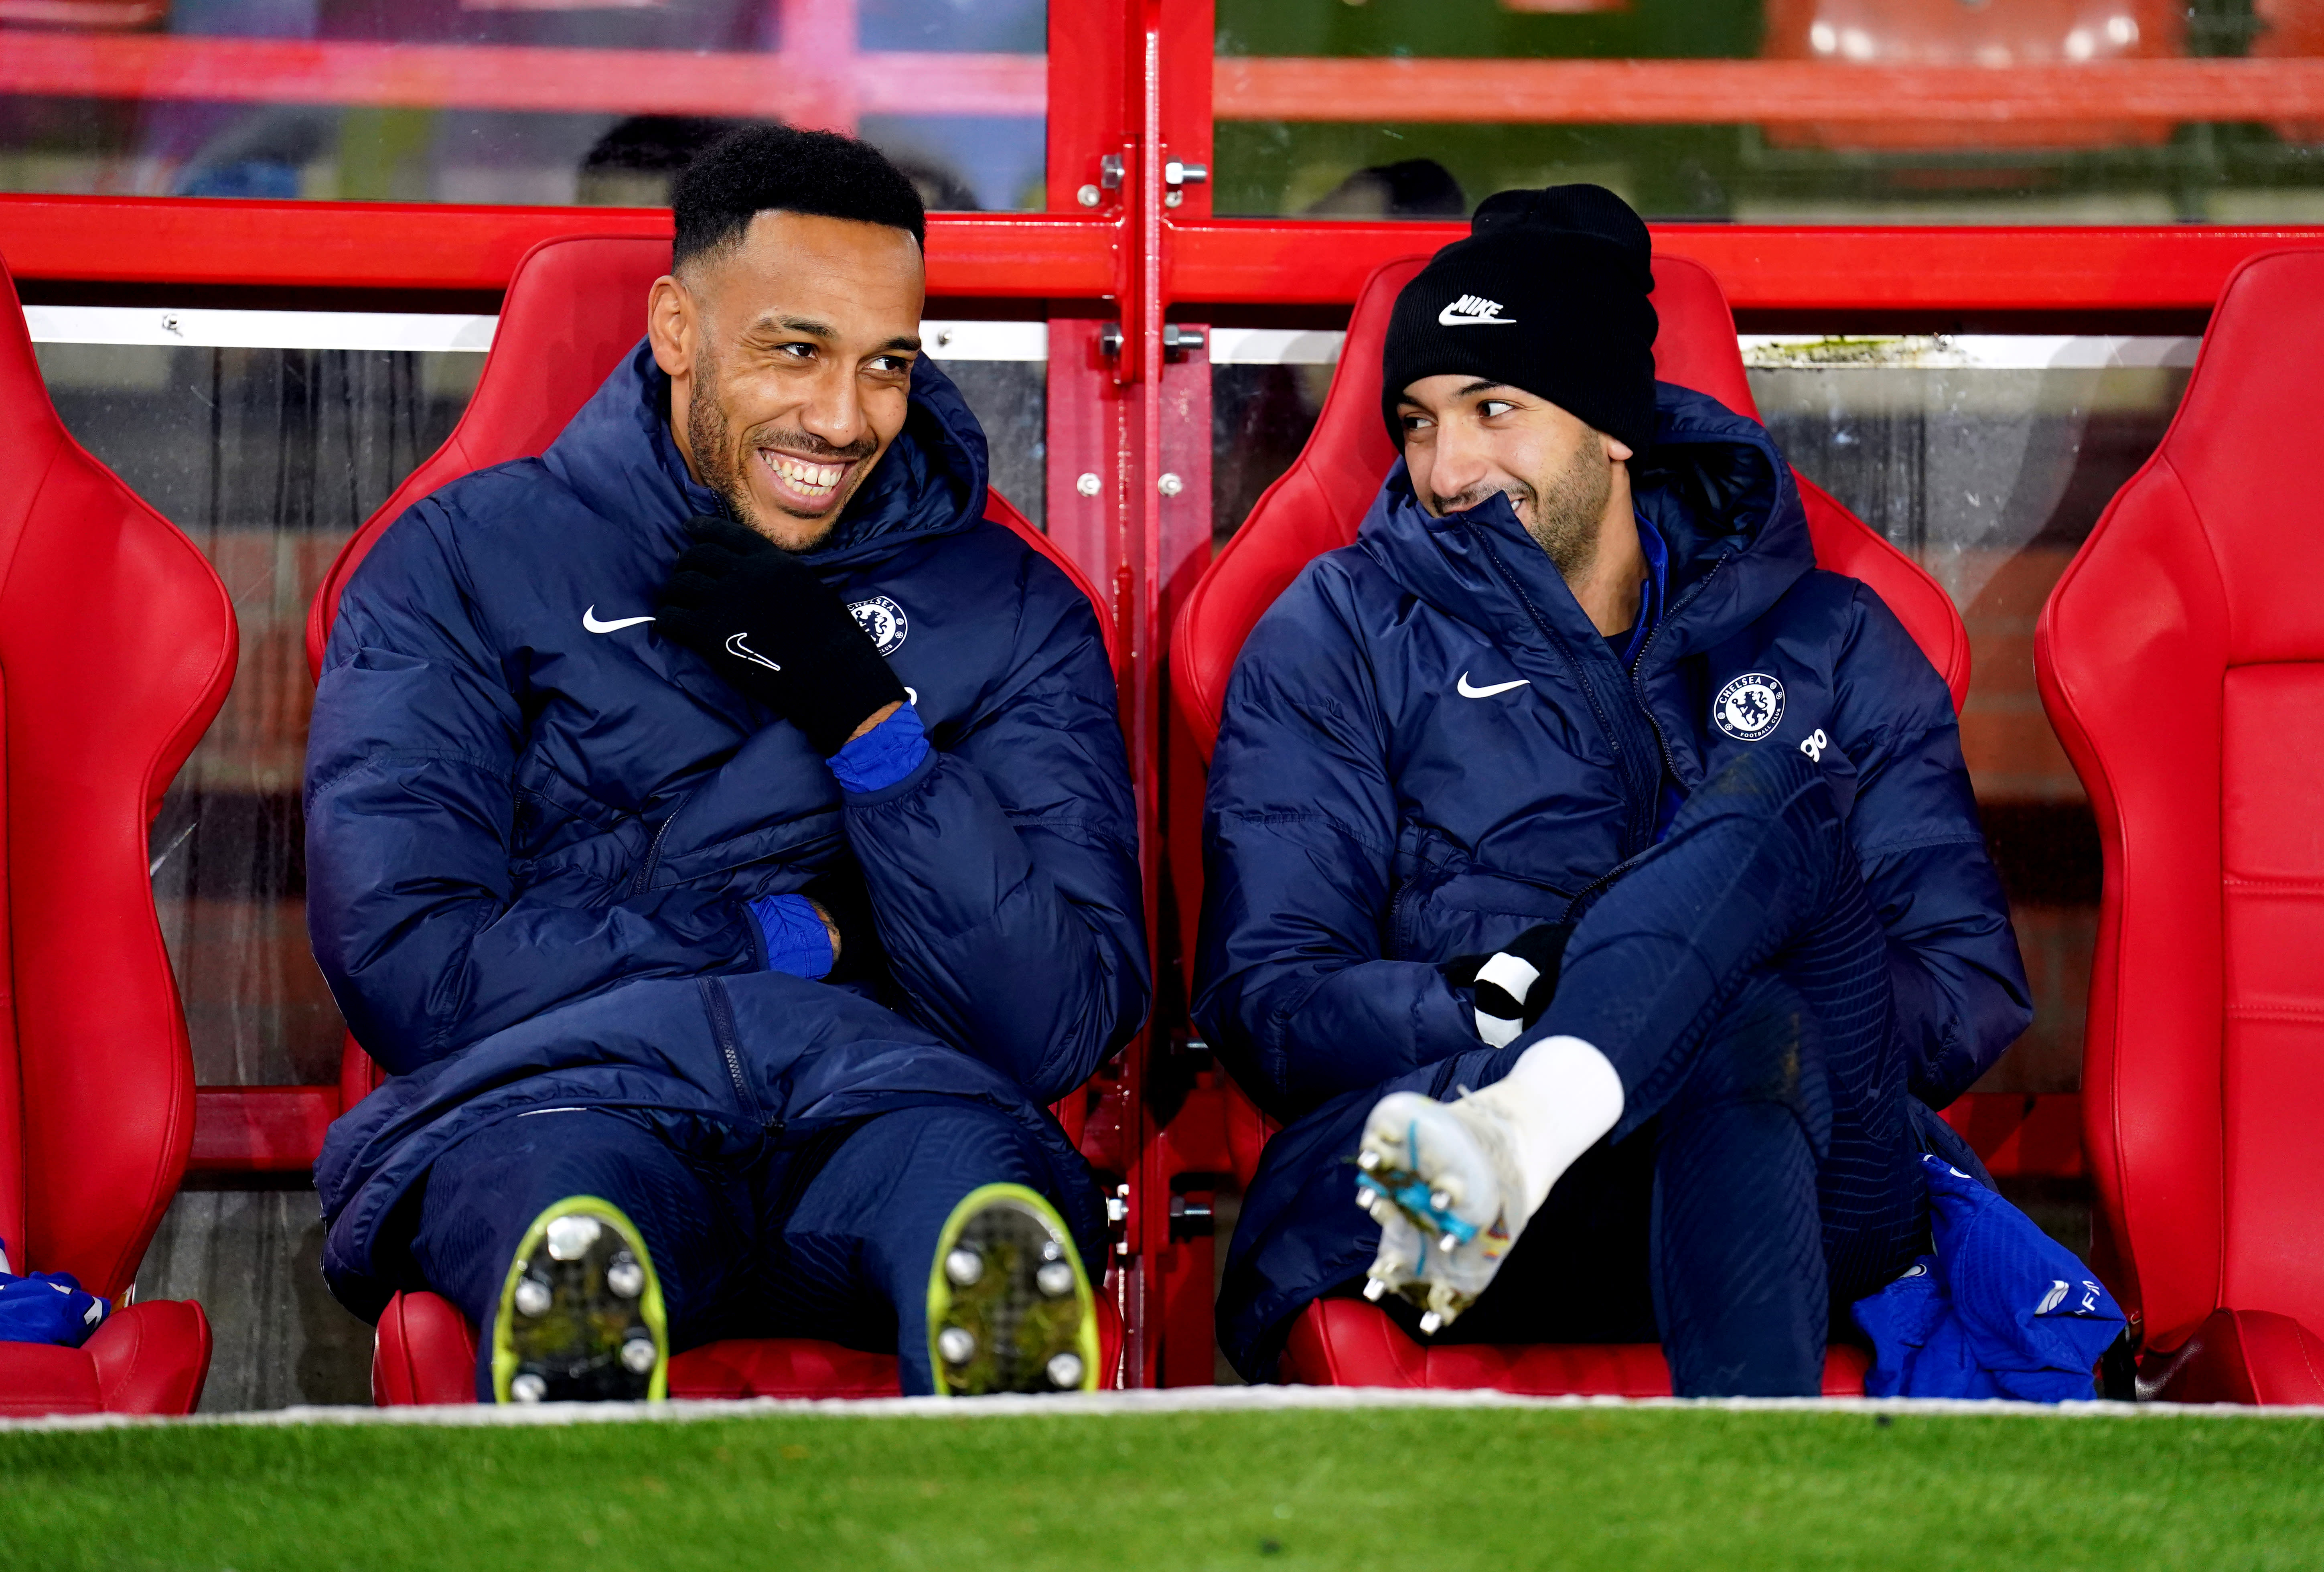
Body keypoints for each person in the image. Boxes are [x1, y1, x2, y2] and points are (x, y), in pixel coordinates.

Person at [309, 126, 1147, 1402]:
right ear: (676, 330)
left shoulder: (1014, 606)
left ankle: (998, 1404)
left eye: (887, 365)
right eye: (794, 351)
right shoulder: (460, 561)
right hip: (559, 1097)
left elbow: (1056, 1024)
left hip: (890, 1094)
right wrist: (785, 935)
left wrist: (871, 731)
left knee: (972, 1195)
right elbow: (415, 973)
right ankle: (581, 1354)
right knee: (562, 1201)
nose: (844, 419)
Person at [1196, 185, 2033, 1396]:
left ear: (1613, 427)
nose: (1447, 468)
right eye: (1418, 423)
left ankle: (1541, 1116)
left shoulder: (1829, 638)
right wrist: (1500, 1006)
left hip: (1820, 1166)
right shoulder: (1338, 634)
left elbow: (1964, 988)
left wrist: (1677, 990)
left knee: (1776, 821)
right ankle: (1753, 1467)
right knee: (1745, 1006)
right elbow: (1270, 1001)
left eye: (1494, 409)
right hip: (1456, 1188)